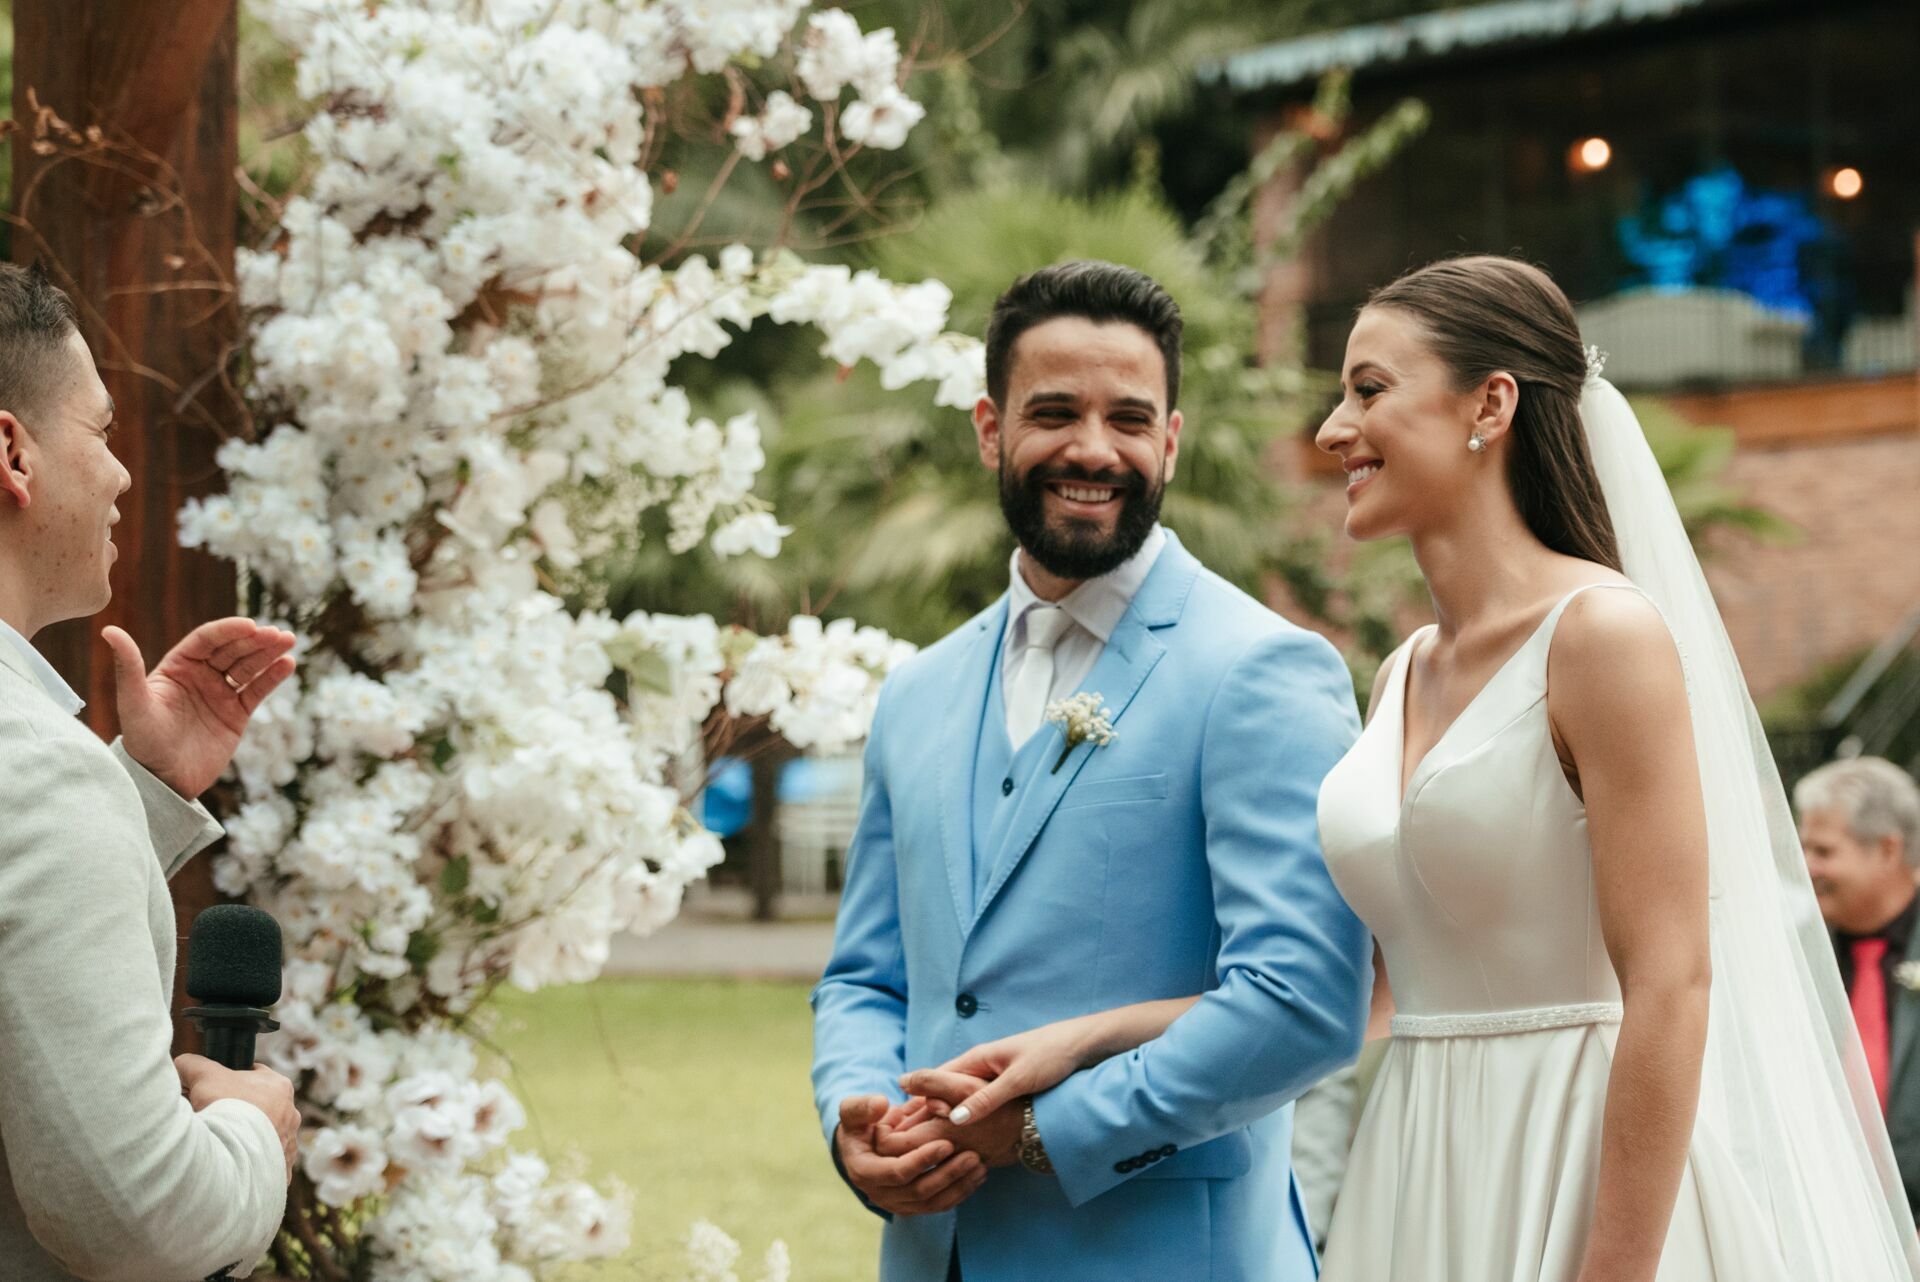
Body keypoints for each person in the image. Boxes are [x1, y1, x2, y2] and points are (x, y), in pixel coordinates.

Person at [908, 255, 1920, 1280]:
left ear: (1490, 404)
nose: (1333, 430)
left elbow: (1672, 983)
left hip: (1572, 1161)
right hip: (1415, 1162)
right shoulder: (1401, 673)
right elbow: (1381, 984)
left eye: (1368, 390)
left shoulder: (1603, 635)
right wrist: (1087, 1038)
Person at [809, 260, 1371, 1282]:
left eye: (1128, 417)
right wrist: (859, 1124)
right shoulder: (917, 694)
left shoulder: (1261, 670)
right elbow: (866, 977)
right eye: (1055, 412)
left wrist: (1041, 1130)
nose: (1092, 448)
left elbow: (1304, 1001)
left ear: (1170, 439)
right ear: (991, 428)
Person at [0, 262, 302, 1281]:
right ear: (12, 450)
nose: (124, 475)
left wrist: (142, 789)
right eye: (99, 432)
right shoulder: (35, 768)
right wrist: (255, 1129)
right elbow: (136, 1218)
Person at [1798, 756, 1920, 1215]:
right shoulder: (1797, 957)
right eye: (1803, 848)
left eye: (1824, 851)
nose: (1807, 866)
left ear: (1888, 849)